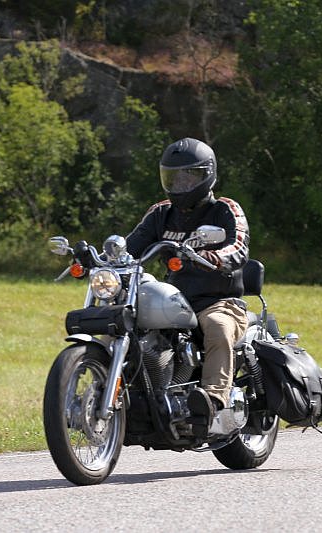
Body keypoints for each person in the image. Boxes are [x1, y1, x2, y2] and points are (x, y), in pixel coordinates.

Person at [126, 137, 249, 437]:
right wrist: (104, 260)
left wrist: (215, 256)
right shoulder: (160, 213)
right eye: (173, 176)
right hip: (176, 301)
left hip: (220, 300)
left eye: (188, 176)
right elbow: (132, 248)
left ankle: (213, 401)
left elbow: (239, 247)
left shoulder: (225, 209)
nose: (180, 183)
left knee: (217, 327)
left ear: (207, 175)